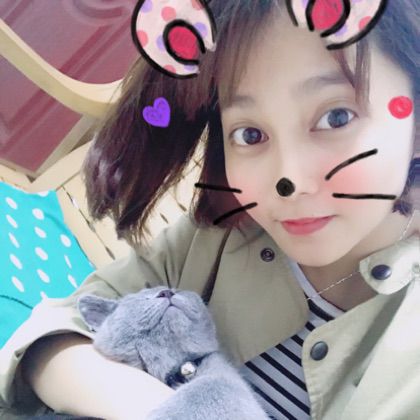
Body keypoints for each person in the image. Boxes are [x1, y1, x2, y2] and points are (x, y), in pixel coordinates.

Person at [1, 0, 419, 418]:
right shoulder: (220, 234)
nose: (288, 181)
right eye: (250, 134)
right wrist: (161, 408)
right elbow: (48, 337)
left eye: (336, 117)